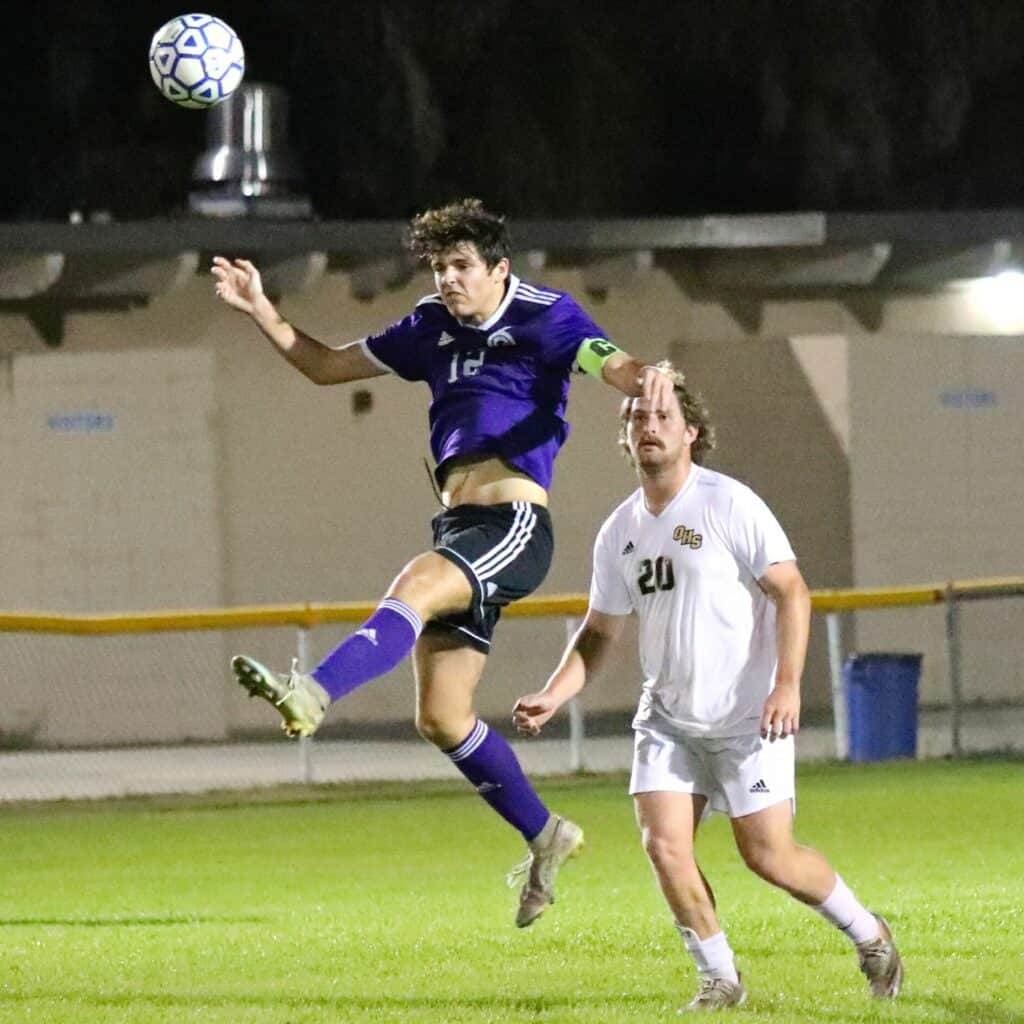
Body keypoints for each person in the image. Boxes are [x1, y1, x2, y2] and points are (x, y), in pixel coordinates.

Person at [211, 198, 675, 928]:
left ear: (499, 269)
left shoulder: (546, 314)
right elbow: (327, 366)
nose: (449, 280)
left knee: (415, 584)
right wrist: (262, 310)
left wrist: (650, 377)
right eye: (438, 267)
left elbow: (610, 364)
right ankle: (546, 834)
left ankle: (314, 695)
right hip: (461, 524)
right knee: (441, 715)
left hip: (514, 523)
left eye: (461, 266)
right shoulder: (429, 325)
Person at [513, 364, 903, 1009]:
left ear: (691, 432)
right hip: (667, 718)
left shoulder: (728, 503)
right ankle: (719, 977)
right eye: (637, 418)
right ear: (625, 436)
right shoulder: (620, 532)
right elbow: (599, 632)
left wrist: (787, 685)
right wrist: (556, 692)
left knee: (769, 858)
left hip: (749, 718)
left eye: (663, 416)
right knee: (664, 847)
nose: (648, 427)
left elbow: (791, 591)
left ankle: (869, 934)